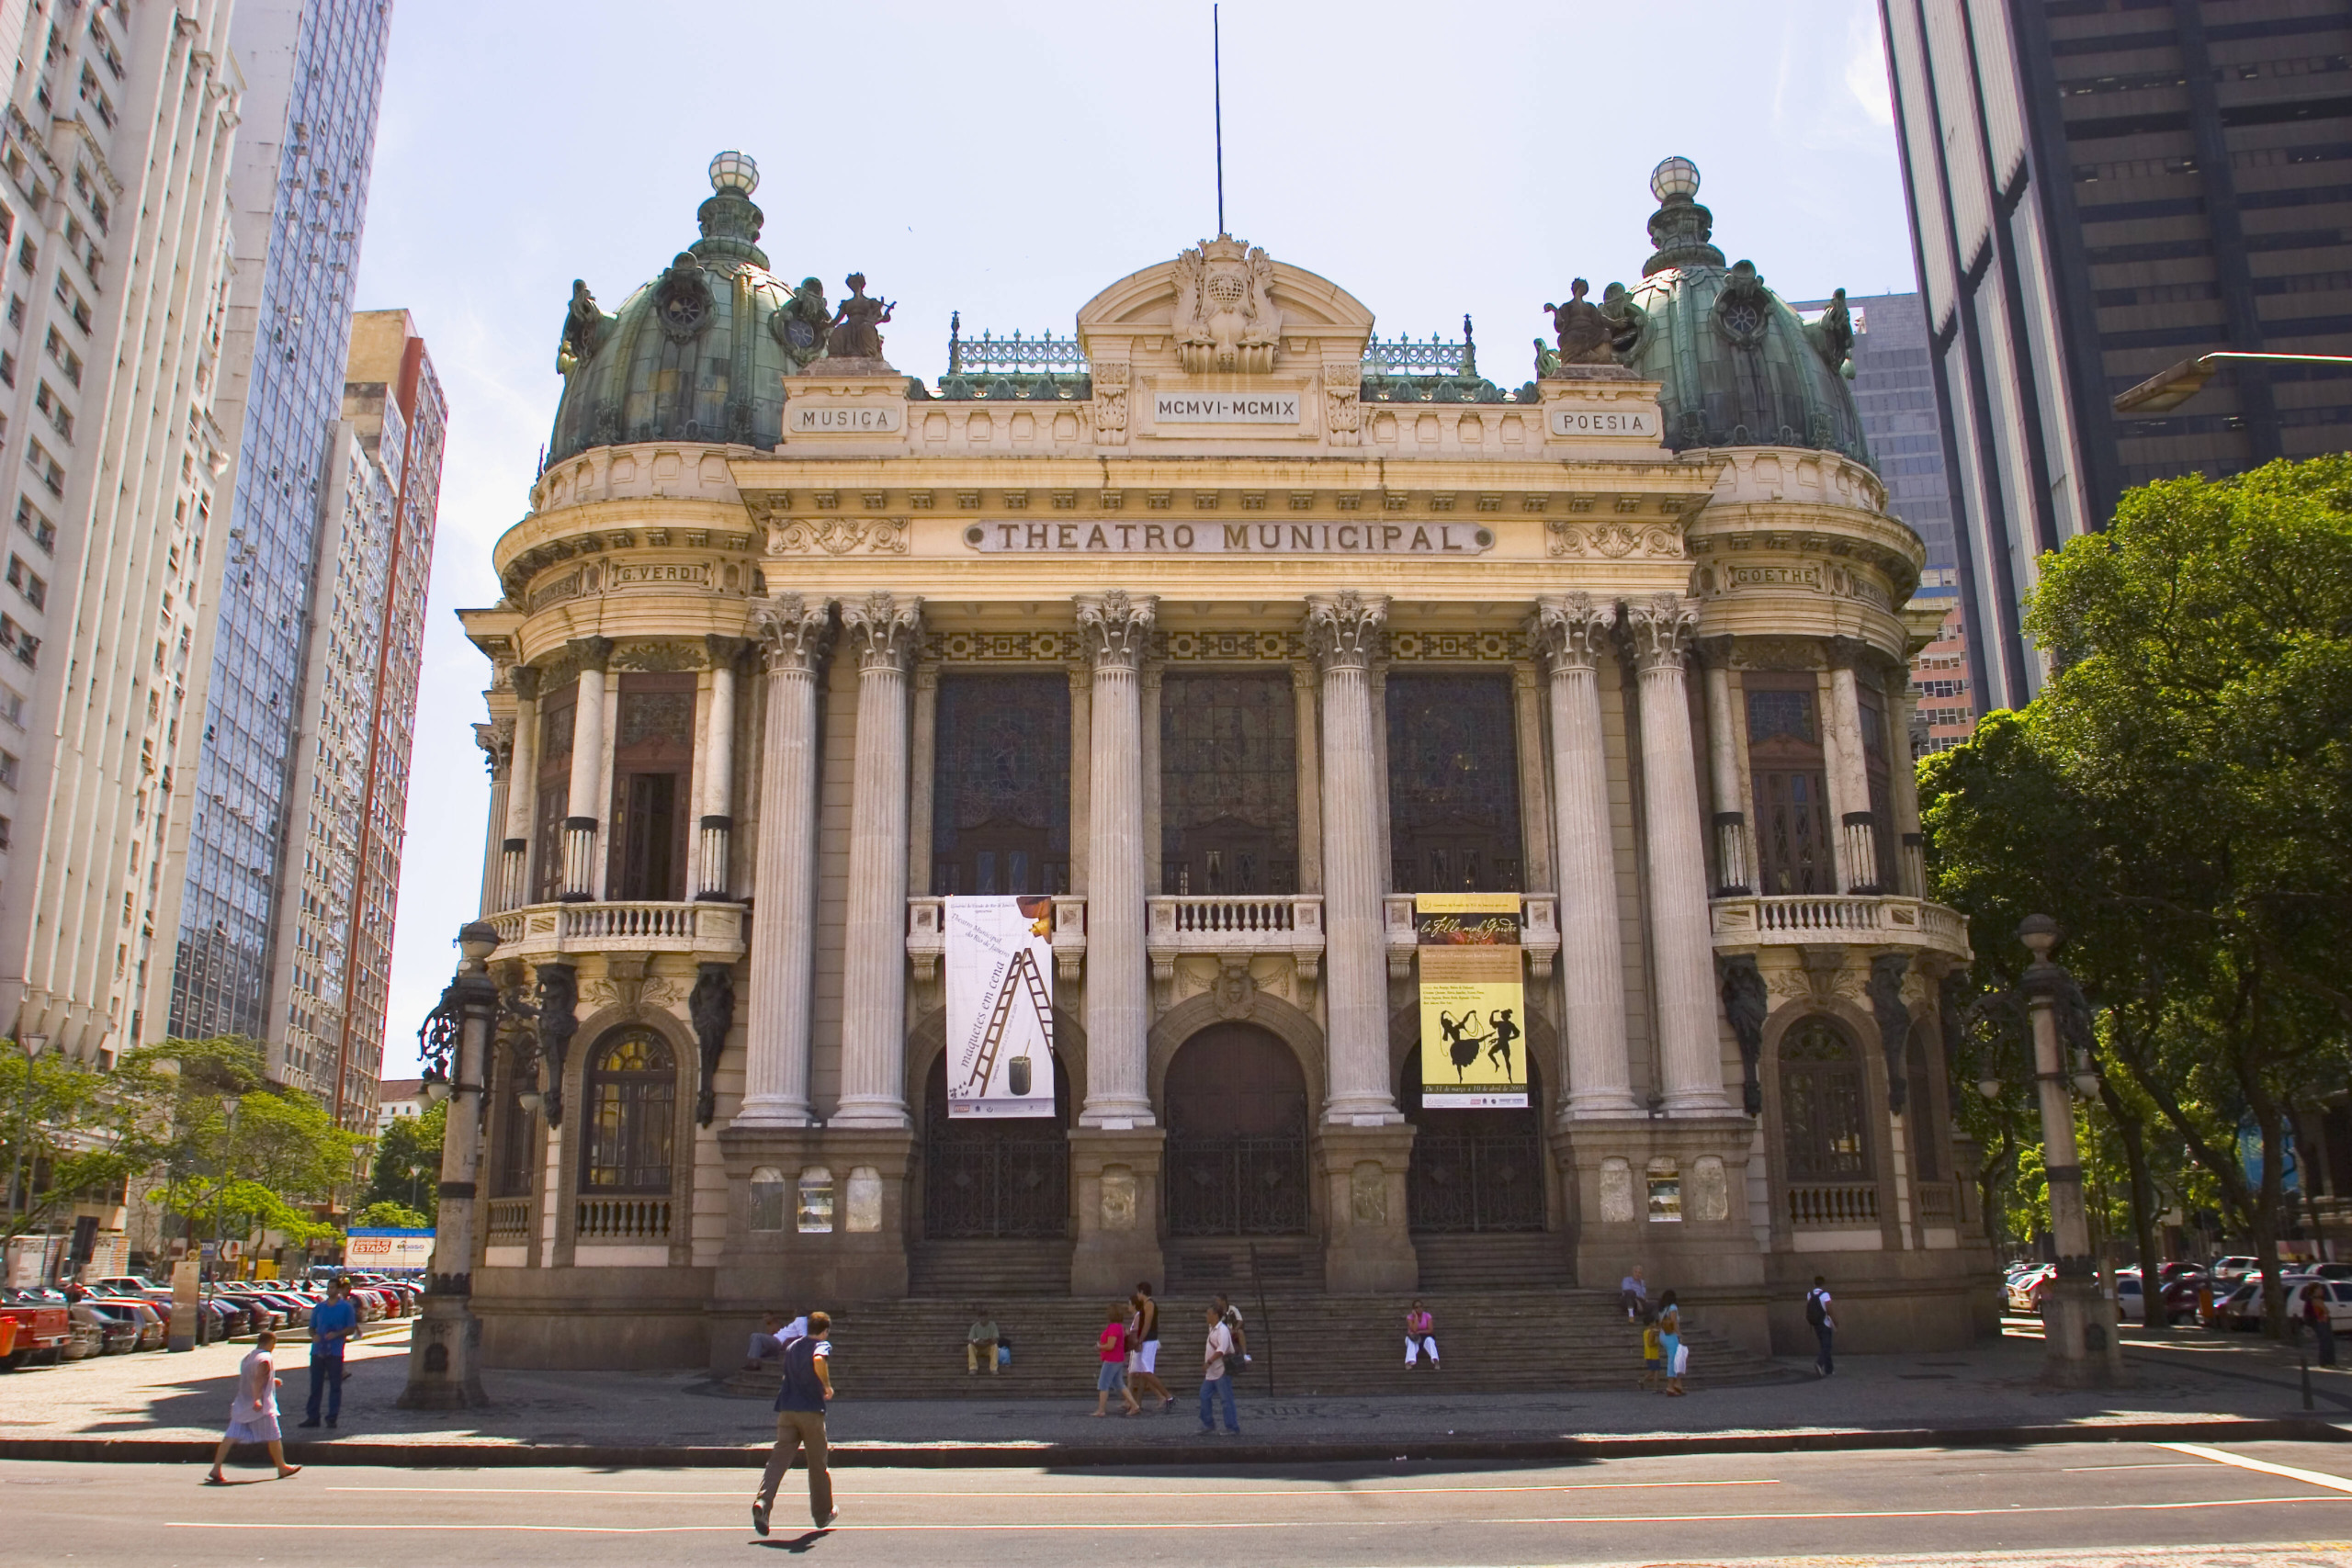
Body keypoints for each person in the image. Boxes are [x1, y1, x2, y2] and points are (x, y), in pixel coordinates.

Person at [752, 1309, 835, 1537]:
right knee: (817, 1464)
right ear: (825, 1331)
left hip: (786, 1409)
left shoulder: (792, 1346)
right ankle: (823, 1513)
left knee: (778, 1460)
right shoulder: (822, 1346)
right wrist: (826, 1386)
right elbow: (818, 1359)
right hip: (810, 1411)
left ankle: (763, 1502)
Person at [206, 1329, 300, 1483]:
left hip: (241, 1404)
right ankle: (282, 1467)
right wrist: (257, 1399)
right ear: (272, 1343)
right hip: (260, 1407)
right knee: (274, 1436)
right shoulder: (265, 1358)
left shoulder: (248, 1357)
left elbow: (251, 1377)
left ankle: (216, 1468)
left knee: (230, 1437)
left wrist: (272, 1381)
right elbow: (258, 1378)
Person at [297, 1278, 359, 1429]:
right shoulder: (319, 1307)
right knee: (315, 1386)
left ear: (338, 1290)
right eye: (328, 1287)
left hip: (335, 1352)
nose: (330, 1290)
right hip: (318, 1351)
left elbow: (351, 1328)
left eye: (333, 1288)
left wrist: (337, 1334)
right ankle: (313, 1417)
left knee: (335, 1387)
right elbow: (311, 1328)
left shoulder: (346, 1308)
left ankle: (332, 1418)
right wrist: (314, 1335)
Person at [1128, 1287, 1172, 1411]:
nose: (1137, 1294)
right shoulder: (1147, 1305)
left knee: (1146, 1372)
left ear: (1142, 1292)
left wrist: (1140, 1339)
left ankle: (1167, 1396)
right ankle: (1138, 1402)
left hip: (1148, 1340)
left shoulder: (1149, 1304)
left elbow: (1147, 1323)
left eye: (1138, 1292)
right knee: (1143, 1373)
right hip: (1148, 1340)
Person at [1199, 1304, 1239, 1435]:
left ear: (1216, 1315)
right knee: (1204, 1395)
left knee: (1226, 1399)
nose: (1207, 1316)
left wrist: (1209, 1361)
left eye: (1209, 1313)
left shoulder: (1222, 1330)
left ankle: (1232, 1427)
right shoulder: (1212, 1329)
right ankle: (1208, 1424)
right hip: (1211, 1372)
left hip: (1221, 1370)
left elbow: (1222, 1349)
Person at [1094, 1302, 1139, 1416]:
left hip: (1112, 1359)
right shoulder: (1120, 1327)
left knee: (1103, 1383)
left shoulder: (1113, 1328)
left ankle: (1101, 1410)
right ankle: (1134, 1405)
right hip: (1118, 1358)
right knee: (1119, 1384)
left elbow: (1110, 1345)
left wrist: (1100, 1347)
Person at [1805, 1276, 1836, 1377]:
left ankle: (1829, 1369)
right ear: (1823, 1284)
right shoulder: (1825, 1295)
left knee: (1824, 1345)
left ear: (1814, 1284)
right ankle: (1819, 1363)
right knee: (1827, 1346)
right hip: (1825, 1323)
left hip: (1815, 1323)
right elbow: (1829, 1310)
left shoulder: (1809, 1294)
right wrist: (1835, 1322)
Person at [1658, 1291, 1687, 1397]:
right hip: (1671, 1336)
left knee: (1677, 1360)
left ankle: (1678, 1384)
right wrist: (1679, 1335)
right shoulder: (1673, 1307)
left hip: (1663, 1335)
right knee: (1674, 1361)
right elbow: (1674, 1322)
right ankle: (1670, 1386)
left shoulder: (1662, 1309)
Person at [1213, 1292, 1250, 1368]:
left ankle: (1245, 1355)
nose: (1217, 1303)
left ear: (1223, 1301)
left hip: (1233, 1332)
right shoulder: (1216, 1312)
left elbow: (1240, 1320)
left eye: (1218, 1301)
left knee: (1240, 1332)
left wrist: (1234, 1330)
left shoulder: (1233, 1309)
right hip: (1222, 1334)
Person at [2306, 1283, 2338, 1367]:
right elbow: (2326, 1310)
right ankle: (2327, 1361)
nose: (2322, 1291)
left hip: (2321, 1321)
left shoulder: (2313, 1300)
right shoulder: (2316, 1300)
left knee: (2325, 1342)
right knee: (2326, 1342)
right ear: (2315, 1290)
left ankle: (2326, 1361)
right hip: (2321, 1322)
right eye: (2320, 1289)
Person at [1404, 1300, 1439, 1370]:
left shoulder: (1427, 1316)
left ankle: (1436, 1361)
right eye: (1416, 1307)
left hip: (1424, 1336)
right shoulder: (1410, 1317)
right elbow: (1414, 1329)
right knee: (1411, 1342)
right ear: (1414, 1309)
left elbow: (1430, 1330)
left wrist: (1420, 1332)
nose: (1419, 1309)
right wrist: (1416, 1317)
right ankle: (1409, 1362)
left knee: (1430, 1340)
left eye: (1420, 1306)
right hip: (1413, 1337)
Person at [967, 1307, 1000, 1376]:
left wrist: (988, 1341)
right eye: (981, 1319)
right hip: (978, 1348)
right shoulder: (975, 1326)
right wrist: (977, 1342)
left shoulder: (992, 1325)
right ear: (979, 1318)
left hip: (988, 1348)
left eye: (984, 1318)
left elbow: (996, 1338)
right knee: (970, 1346)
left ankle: (993, 1369)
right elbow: (970, 1339)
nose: (983, 1320)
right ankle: (973, 1368)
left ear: (988, 1317)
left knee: (995, 1346)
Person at [1640, 1307, 1664, 1393]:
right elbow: (1651, 1344)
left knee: (1652, 1371)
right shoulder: (1652, 1332)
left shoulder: (1645, 1331)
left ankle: (1642, 1381)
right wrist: (1657, 1342)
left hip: (1648, 1354)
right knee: (1656, 1371)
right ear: (1651, 1323)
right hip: (1653, 1354)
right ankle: (1655, 1388)